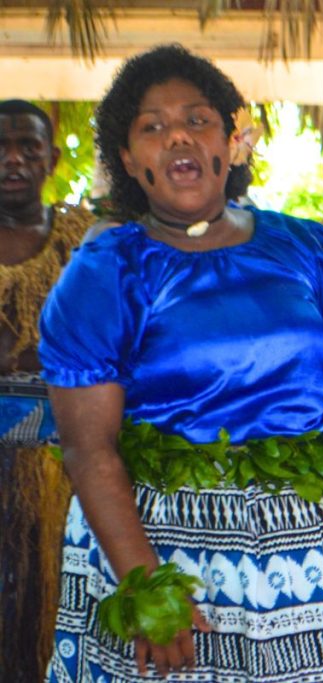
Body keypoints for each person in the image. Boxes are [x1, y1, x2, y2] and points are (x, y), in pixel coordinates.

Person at [39, 45, 323, 681]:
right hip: (162, 545)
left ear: (233, 138)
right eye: (153, 127)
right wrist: (148, 586)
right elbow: (88, 447)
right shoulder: (107, 271)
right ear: (128, 159)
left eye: (197, 120)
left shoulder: (309, 248)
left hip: (306, 546)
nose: (178, 137)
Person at [0, 98, 92, 683]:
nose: (12, 160)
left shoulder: (82, 243)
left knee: (48, 602)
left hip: (63, 465)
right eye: (1, 148)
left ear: (51, 159)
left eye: (27, 147)